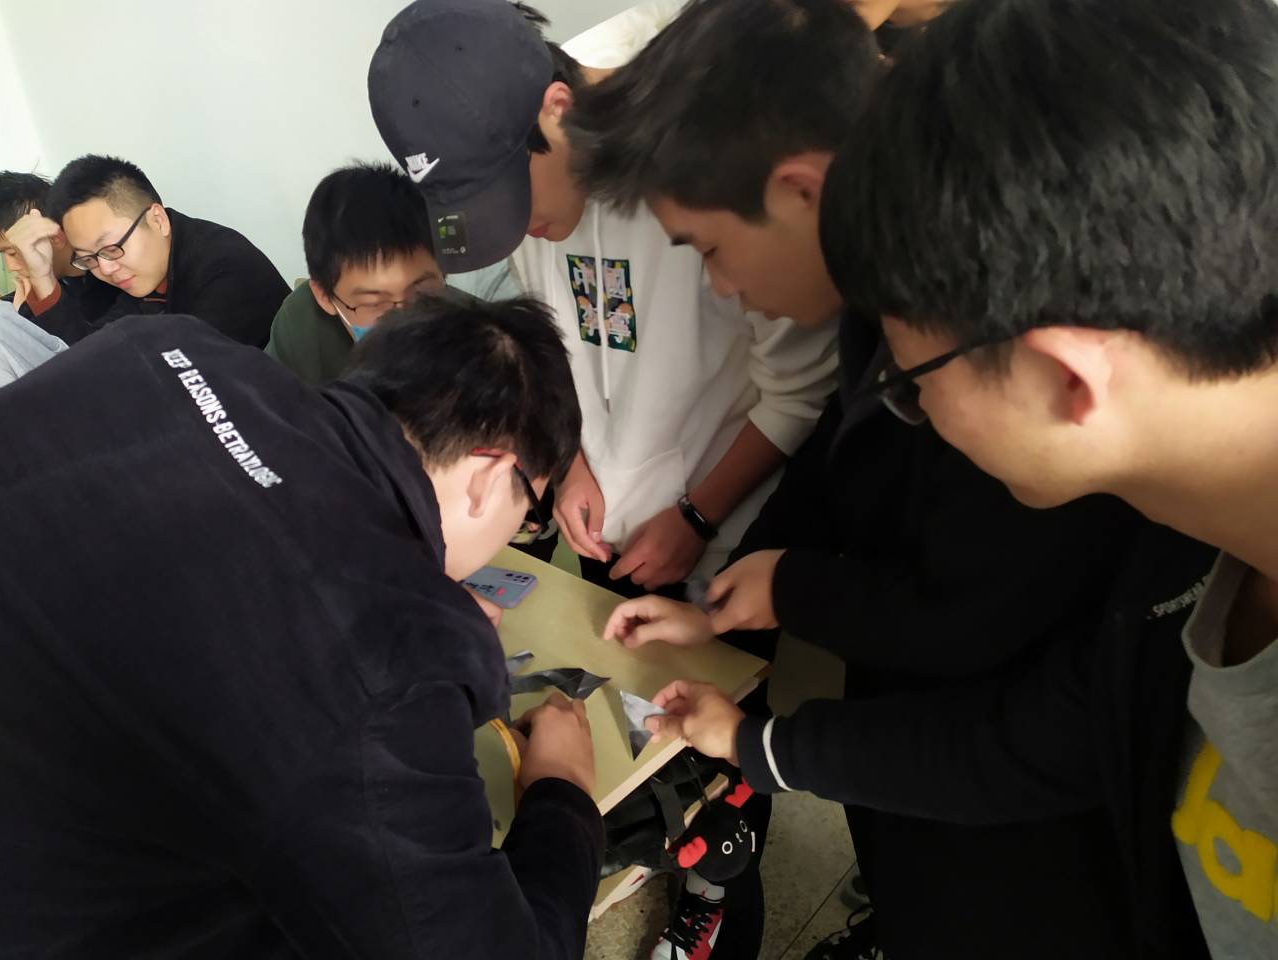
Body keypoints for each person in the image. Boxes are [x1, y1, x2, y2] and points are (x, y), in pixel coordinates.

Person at [573, 0, 1214, 957]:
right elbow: (850, 443)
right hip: (929, 756)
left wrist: (778, 657)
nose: (720, 287)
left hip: (1016, 838)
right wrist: (752, 584)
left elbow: (1002, 676)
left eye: (709, 250)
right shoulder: (918, 317)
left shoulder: (988, 352)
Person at [818, 0, 1278, 957]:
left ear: (1067, 376)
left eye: (912, 380)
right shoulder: (1177, 540)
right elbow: (1053, 732)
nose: (915, 405)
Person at [0, 295, 603, 958]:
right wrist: (562, 793)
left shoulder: (159, 343)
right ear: (490, 475)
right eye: (531, 512)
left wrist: (399, 589)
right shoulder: (383, 674)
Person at [368, 0, 839, 595]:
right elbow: (556, 354)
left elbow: (799, 390)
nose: (514, 229)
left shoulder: (699, 175)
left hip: (726, 540)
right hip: (601, 529)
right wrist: (570, 468)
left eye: (509, 200)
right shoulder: (529, 214)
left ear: (558, 110)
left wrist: (697, 517)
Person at [11, 154, 287, 347]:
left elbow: (186, 377)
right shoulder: (138, 276)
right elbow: (96, 351)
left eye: (112, 248)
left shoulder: (226, 268)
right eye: (88, 258)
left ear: (158, 219)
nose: (106, 268)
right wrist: (42, 277)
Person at [265, 163, 447, 385]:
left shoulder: (475, 338)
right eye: (373, 303)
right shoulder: (301, 324)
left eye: (423, 294)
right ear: (324, 295)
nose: (404, 320)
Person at [0, 171, 98, 314]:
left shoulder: (112, 282)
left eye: (13, 253)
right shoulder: (15, 302)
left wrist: (24, 318)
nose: (10, 267)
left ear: (55, 238)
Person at [0, 300, 65, 387]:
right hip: (62, 371)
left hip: (57, 377)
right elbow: (53, 344)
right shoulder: (2, 309)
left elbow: (53, 344)